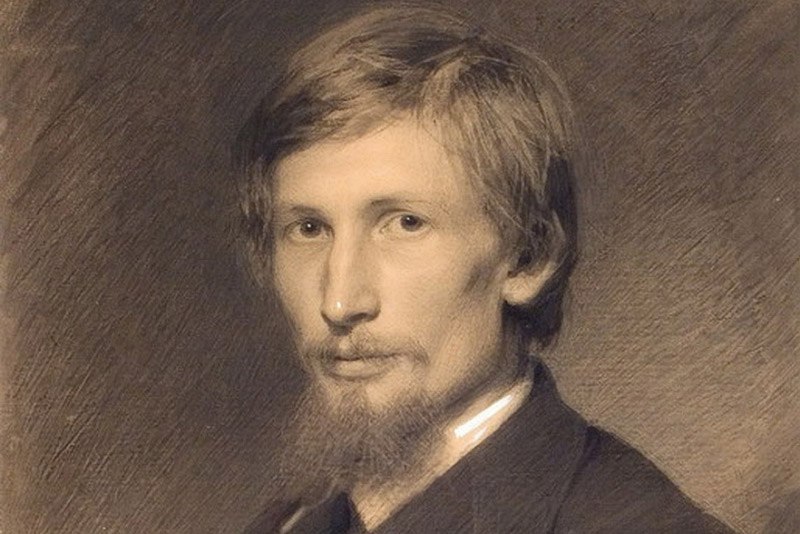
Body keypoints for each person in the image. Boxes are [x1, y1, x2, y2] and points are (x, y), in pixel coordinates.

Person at [235, 4, 735, 533]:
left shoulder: (639, 522)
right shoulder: (292, 522)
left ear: (528, 258)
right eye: (309, 229)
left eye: (405, 223)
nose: (339, 302)